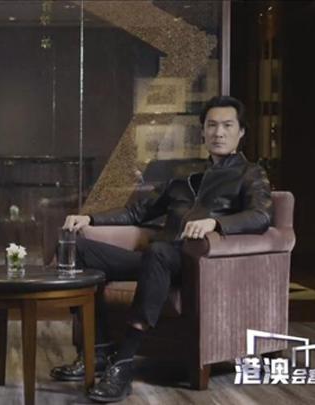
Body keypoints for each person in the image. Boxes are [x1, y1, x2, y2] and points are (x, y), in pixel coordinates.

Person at [50, 96, 273, 403]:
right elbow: (138, 212)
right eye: (211, 125)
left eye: (227, 125)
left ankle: (124, 362)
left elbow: (261, 216)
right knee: (74, 248)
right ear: (203, 132)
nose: (218, 133)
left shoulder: (250, 174)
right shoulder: (186, 178)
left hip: (199, 265)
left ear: (241, 131)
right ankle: (98, 350)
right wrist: (89, 218)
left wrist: (215, 224)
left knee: (158, 252)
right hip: (159, 260)